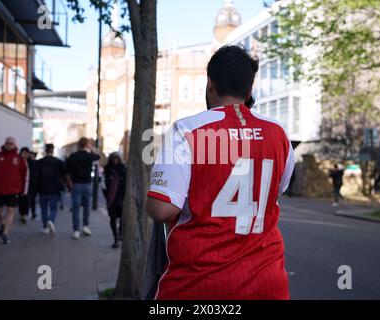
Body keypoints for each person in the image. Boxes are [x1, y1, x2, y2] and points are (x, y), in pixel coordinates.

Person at [146, 45, 295, 300]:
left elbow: (162, 209)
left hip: (199, 283)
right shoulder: (278, 132)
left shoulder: (187, 130)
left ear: (210, 85)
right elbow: (277, 189)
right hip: (267, 283)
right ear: (250, 90)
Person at [0, 137, 29, 244]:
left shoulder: (19, 158)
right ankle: (3, 222)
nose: (9, 145)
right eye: (7, 143)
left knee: (10, 211)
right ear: (4, 144)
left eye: (11, 143)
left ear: (15, 145)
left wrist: (23, 191)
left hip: (13, 191)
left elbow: (25, 175)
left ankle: (5, 234)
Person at [65, 137, 100, 239]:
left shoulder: (73, 156)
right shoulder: (89, 156)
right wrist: (91, 148)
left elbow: (66, 171)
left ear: (78, 145)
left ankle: (76, 230)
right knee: (86, 206)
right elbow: (98, 156)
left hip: (76, 184)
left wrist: (70, 182)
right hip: (87, 184)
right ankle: (85, 226)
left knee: (75, 208)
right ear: (87, 144)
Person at [37, 144, 66, 236]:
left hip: (42, 188)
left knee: (44, 208)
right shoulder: (58, 162)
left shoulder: (40, 162)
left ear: (45, 151)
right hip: (54, 188)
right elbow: (64, 174)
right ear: (52, 151)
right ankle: (51, 220)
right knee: (53, 208)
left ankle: (45, 226)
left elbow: (36, 176)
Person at [103, 152, 127, 249]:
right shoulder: (107, 169)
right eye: (113, 158)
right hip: (111, 199)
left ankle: (120, 232)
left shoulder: (123, 169)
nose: (115, 160)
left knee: (122, 217)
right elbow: (104, 185)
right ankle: (115, 238)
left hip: (121, 197)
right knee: (112, 218)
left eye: (116, 158)